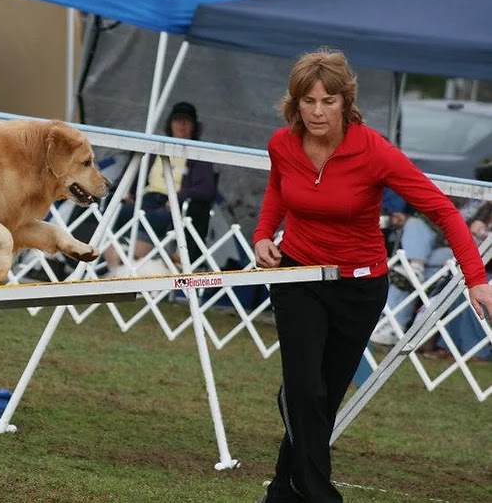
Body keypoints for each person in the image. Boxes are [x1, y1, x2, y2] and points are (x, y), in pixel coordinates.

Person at [252, 48, 492, 503]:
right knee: (304, 391)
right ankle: (320, 494)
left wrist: (476, 278)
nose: (318, 112)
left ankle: (283, 492)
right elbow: (277, 188)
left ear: (346, 100)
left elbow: (443, 210)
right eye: (308, 101)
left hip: (359, 287)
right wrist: (264, 233)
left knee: (321, 400)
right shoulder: (282, 143)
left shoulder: (374, 151)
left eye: (328, 101)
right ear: (295, 103)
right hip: (297, 275)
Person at [105, 102, 219, 272]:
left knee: (148, 220)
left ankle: (133, 266)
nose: (181, 125)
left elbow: (207, 189)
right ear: (170, 123)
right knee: (113, 210)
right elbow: (131, 173)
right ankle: (115, 266)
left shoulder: (200, 154)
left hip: (171, 206)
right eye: (178, 120)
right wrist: (126, 191)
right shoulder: (155, 148)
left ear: (194, 126)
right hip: (144, 199)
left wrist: (178, 197)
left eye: (186, 121)